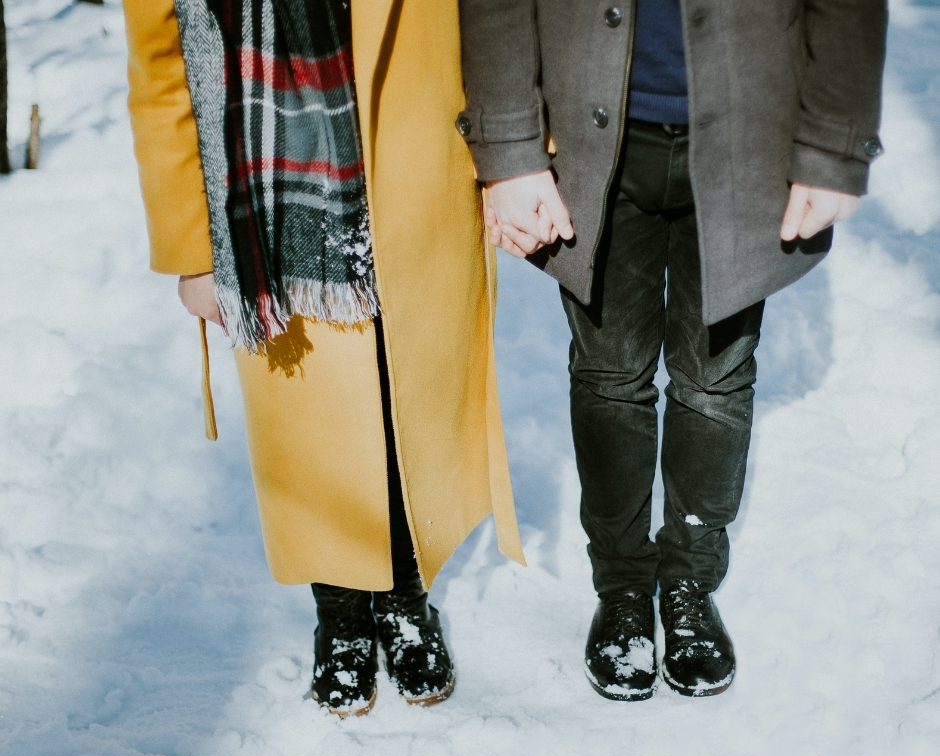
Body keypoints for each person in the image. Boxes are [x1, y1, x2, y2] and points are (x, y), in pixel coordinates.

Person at [458, 0, 886, 699]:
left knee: (715, 378)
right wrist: (508, 150)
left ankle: (687, 579)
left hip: (753, 133)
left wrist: (836, 144)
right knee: (609, 375)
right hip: (591, 134)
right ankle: (624, 588)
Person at [123, 0, 525, 718]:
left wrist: (513, 155)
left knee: (402, 390)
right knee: (315, 415)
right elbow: (159, 68)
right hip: (266, 188)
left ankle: (406, 594)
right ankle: (340, 613)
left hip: (415, 166)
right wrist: (190, 248)